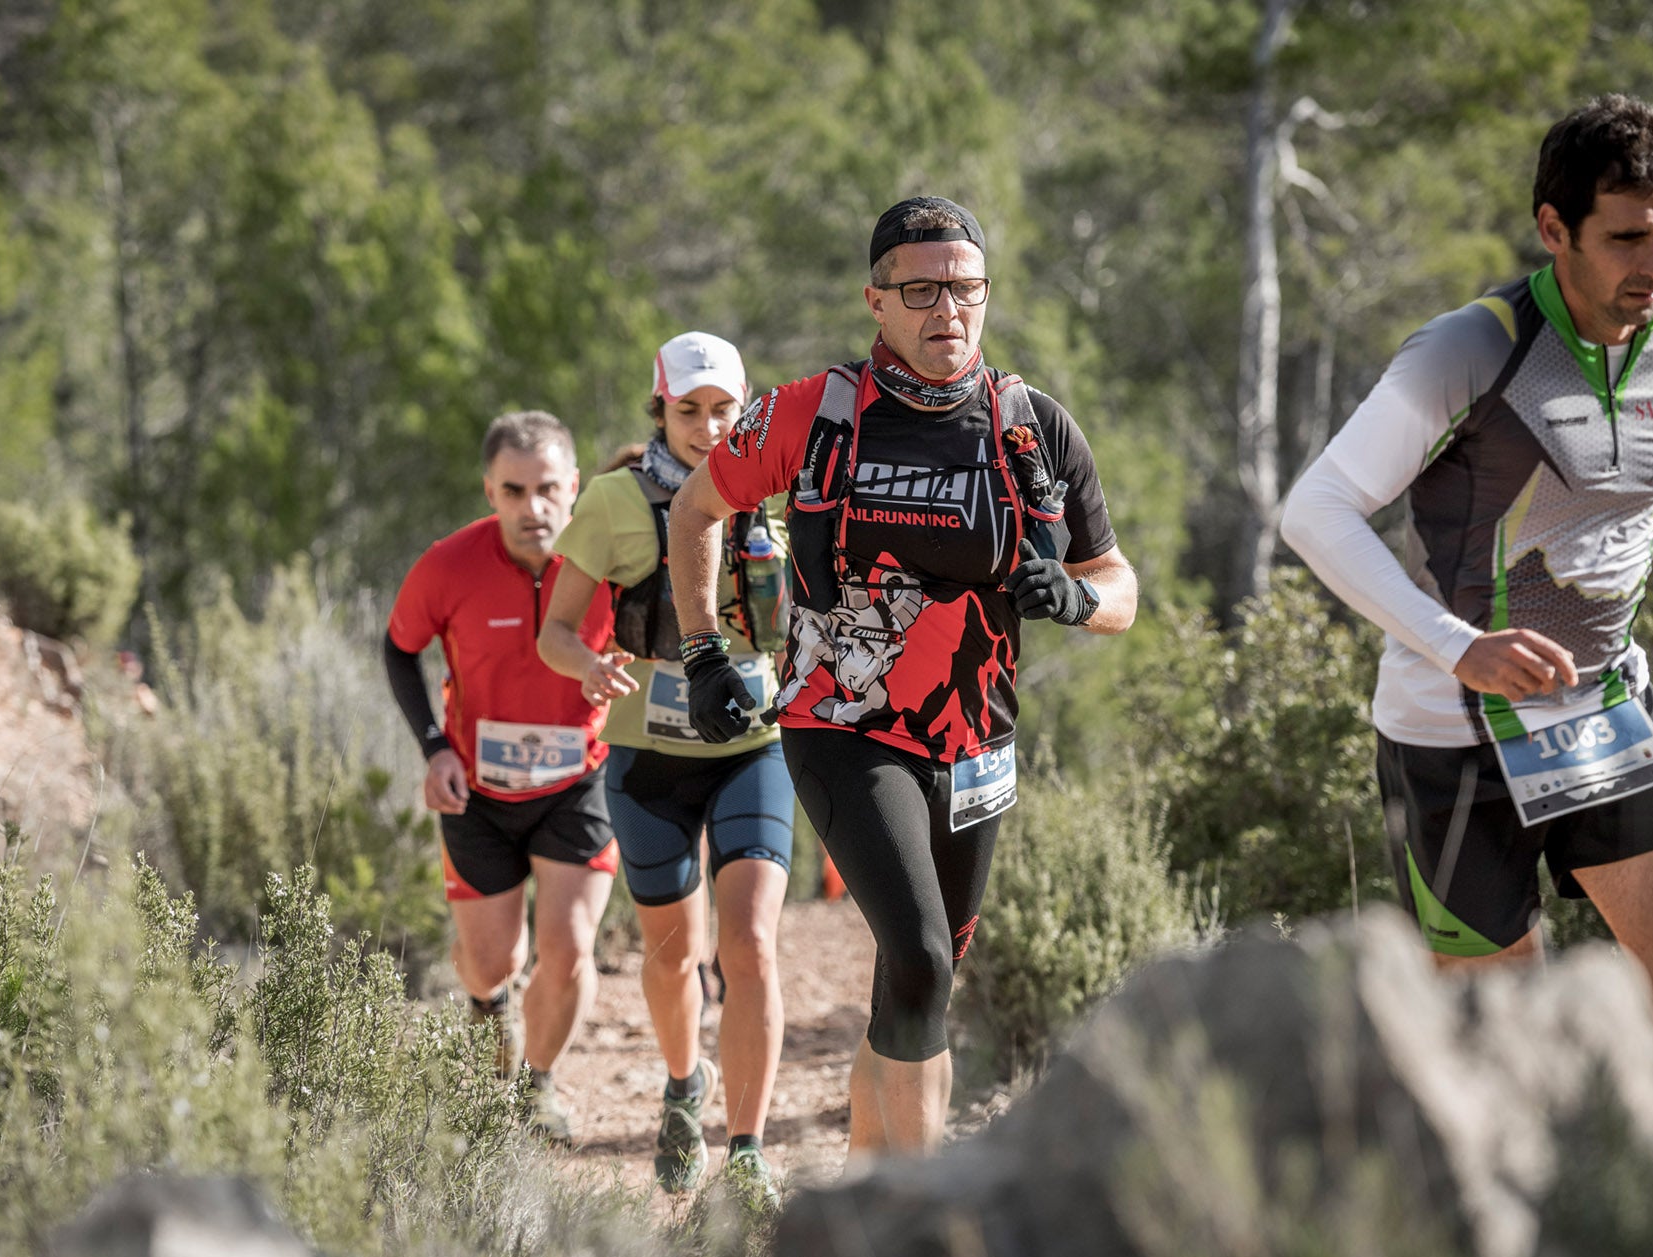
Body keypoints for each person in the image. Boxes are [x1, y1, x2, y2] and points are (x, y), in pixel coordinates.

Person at [665, 197, 1139, 1155]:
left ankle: (863, 1200)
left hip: (977, 743)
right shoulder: (809, 411)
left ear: (985, 296)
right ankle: (923, 1220)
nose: (945, 311)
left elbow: (1119, 584)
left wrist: (1078, 599)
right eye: (920, 291)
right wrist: (704, 647)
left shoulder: (1032, 427)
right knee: (920, 953)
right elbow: (694, 508)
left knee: (921, 978)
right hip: (842, 721)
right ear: (875, 301)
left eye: (963, 289)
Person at [1281, 94, 1653, 1029]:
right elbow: (1316, 510)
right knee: (1501, 1038)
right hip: (1452, 730)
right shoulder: (1471, 347)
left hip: (1607, 710)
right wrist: (1457, 647)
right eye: (1627, 237)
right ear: (1553, 228)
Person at [538, 332, 794, 1201]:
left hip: (755, 748)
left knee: (751, 942)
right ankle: (686, 1086)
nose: (709, 427)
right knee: (669, 953)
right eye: (689, 410)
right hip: (650, 755)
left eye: (724, 409)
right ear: (661, 409)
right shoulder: (614, 501)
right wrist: (588, 666)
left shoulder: (778, 488)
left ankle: (749, 1150)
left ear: (747, 408)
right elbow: (555, 631)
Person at [383, 411, 619, 1142]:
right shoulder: (449, 565)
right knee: (492, 963)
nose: (533, 508)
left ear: (574, 487)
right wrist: (434, 749)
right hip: (477, 792)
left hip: (577, 779)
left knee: (571, 949)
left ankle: (538, 1086)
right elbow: (399, 649)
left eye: (548, 488)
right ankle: (489, 1014)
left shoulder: (610, 564)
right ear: (489, 490)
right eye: (513, 491)